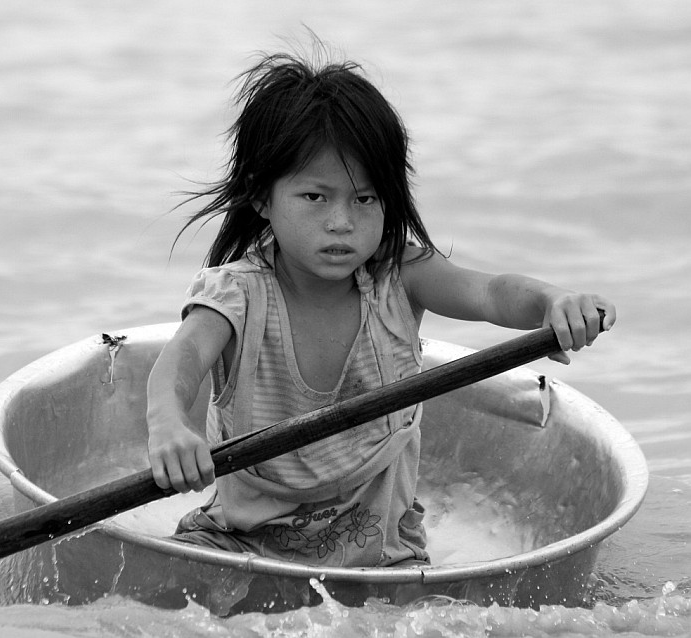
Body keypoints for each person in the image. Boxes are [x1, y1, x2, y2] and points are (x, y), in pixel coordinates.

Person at [145, 48, 616, 568]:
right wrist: (169, 426)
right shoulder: (238, 295)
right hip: (236, 543)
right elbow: (181, 361)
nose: (342, 222)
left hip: (383, 555)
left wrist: (552, 301)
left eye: (365, 199)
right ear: (261, 197)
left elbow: (490, 294)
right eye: (315, 197)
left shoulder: (399, 278)